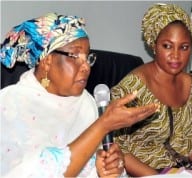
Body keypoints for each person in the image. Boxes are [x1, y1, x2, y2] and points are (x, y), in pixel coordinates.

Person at [0, 12, 158, 178]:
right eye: (75, 56)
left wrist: (108, 168)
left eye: (87, 57)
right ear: (47, 61)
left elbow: (94, 164)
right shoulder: (10, 105)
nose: (86, 67)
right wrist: (103, 125)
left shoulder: (85, 102)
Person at [111, 3, 192, 177]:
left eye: (184, 47)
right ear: (153, 45)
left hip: (180, 170)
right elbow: (118, 150)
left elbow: (188, 139)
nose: (176, 55)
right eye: (167, 46)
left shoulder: (189, 83)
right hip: (143, 172)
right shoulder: (132, 88)